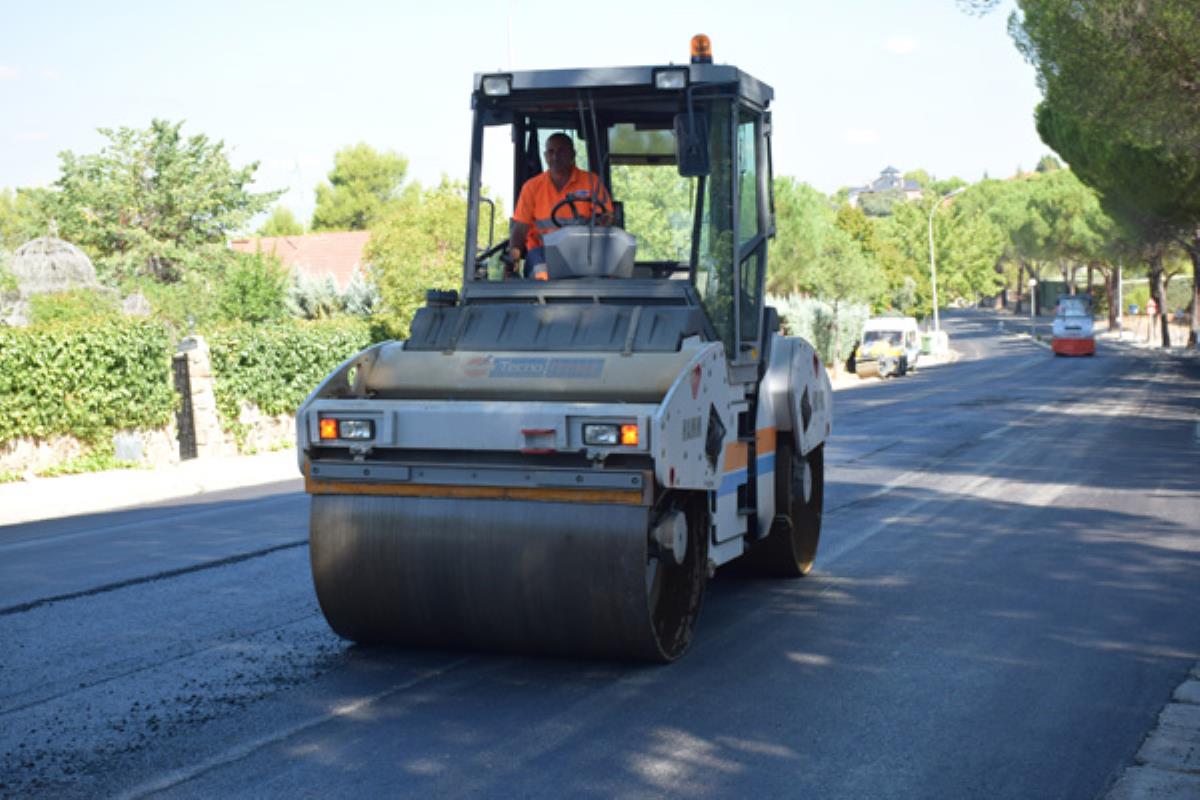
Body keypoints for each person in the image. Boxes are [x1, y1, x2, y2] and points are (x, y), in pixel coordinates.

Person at [507, 133, 614, 278]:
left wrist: (601, 224)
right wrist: (513, 260)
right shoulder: (532, 187)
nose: (556, 156)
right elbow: (520, 228)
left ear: (573, 154)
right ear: (545, 156)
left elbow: (607, 218)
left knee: (596, 280)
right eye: (551, 152)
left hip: (581, 251)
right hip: (542, 251)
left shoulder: (591, 182)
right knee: (541, 277)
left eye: (561, 151)